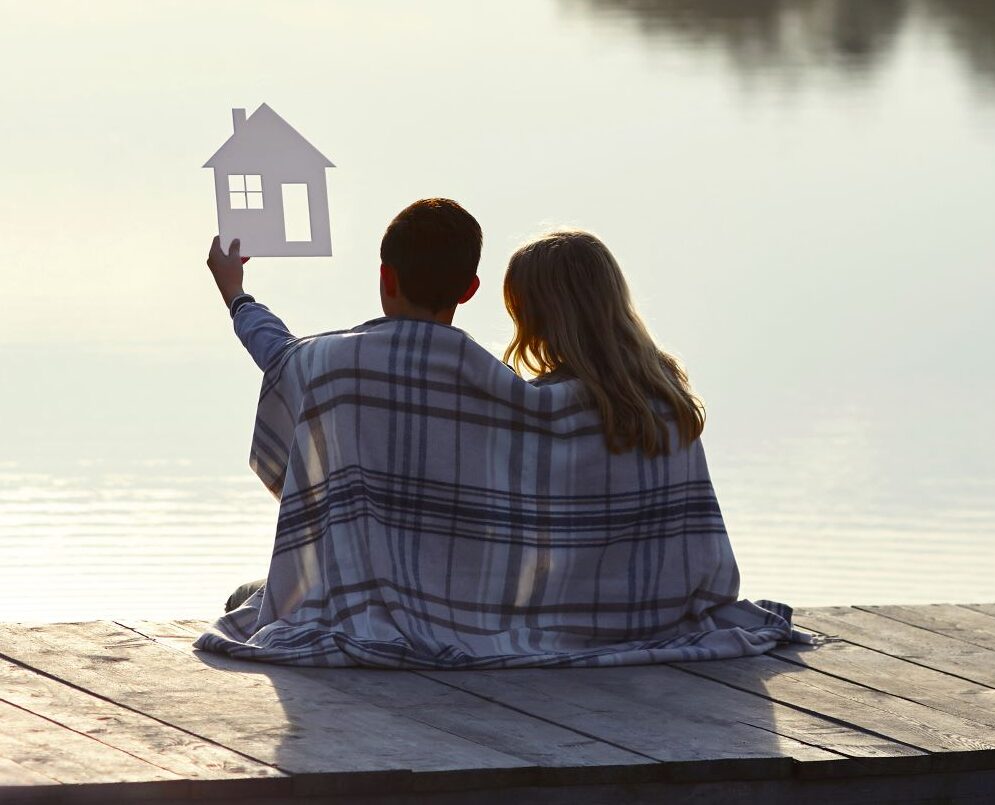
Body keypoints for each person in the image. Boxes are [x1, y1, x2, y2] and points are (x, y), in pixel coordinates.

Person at [195, 208, 804, 668]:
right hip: (648, 619)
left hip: (456, 622)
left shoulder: (358, 371)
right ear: (470, 291)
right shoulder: (662, 399)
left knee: (255, 597)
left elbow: (283, 359)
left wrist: (236, 293)